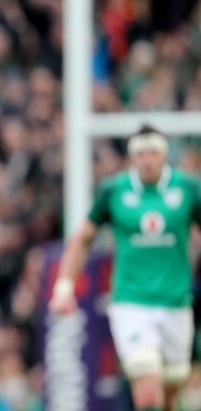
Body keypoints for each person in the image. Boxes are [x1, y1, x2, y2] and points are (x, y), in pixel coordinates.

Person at [49, 126, 199, 411]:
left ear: (164, 154)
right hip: (131, 302)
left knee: (170, 394)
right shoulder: (114, 190)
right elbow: (83, 239)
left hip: (176, 303)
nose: (147, 159)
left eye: (153, 152)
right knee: (147, 389)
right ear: (132, 157)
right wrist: (64, 287)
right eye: (141, 154)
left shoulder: (187, 188)